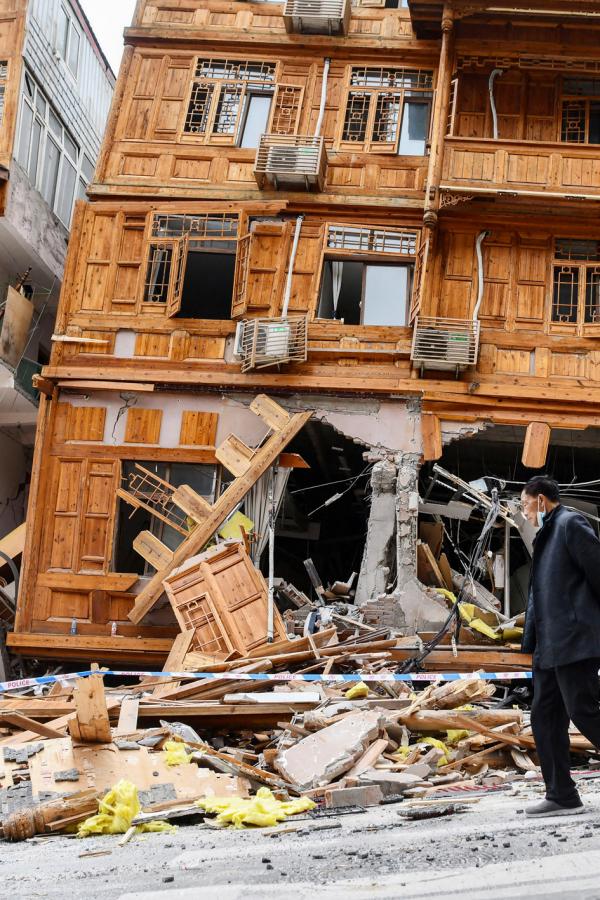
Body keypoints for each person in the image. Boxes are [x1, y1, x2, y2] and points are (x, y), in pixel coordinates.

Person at [520, 475, 600, 817]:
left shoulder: (570, 524)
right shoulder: (546, 535)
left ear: (540, 499)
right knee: (544, 717)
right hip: (549, 645)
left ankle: (561, 793)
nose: (524, 511)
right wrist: (531, 643)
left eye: (524, 504)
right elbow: (541, 594)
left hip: (573, 638)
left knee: (583, 710)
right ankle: (561, 794)